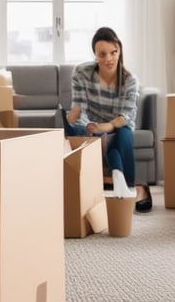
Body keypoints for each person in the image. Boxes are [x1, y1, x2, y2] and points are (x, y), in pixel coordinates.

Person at [61, 27, 152, 213]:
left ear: (119, 51)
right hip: (91, 126)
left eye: (113, 52)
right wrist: (79, 122)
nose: (108, 59)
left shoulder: (130, 80)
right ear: (95, 54)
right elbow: (79, 107)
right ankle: (123, 181)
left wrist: (104, 128)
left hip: (117, 127)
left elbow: (125, 117)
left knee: (123, 134)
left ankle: (126, 183)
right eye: (102, 54)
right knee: (72, 127)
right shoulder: (81, 73)